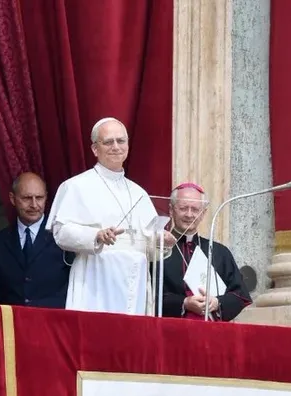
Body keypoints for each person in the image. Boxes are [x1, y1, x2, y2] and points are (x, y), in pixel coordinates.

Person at [45, 117, 176, 315]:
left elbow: (150, 248)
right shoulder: (76, 186)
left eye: (121, 141)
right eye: (108, 142)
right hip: (96, 279)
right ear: (95, 149)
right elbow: (61, 232)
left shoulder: (139, 192)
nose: (116, 146)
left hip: (135, 281)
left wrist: (161, 242)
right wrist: (96, 236)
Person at [158, 182, 252, 321]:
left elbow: (240, 295)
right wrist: (184, 303)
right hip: (170, 331)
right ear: (171, 210)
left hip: (211, 333)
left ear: (203, 213)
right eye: (183, 208)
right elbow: (148, 295)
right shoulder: (157, 249)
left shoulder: (219, 252)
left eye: (195, 209)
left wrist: (217, 302)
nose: (189, 215)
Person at [0, 172, 72, 308]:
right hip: (12, 324)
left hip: (53, 323)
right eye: (27, 198)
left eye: (39, 198)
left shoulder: (62, 234)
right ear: (12, 199)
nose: (34, 205)